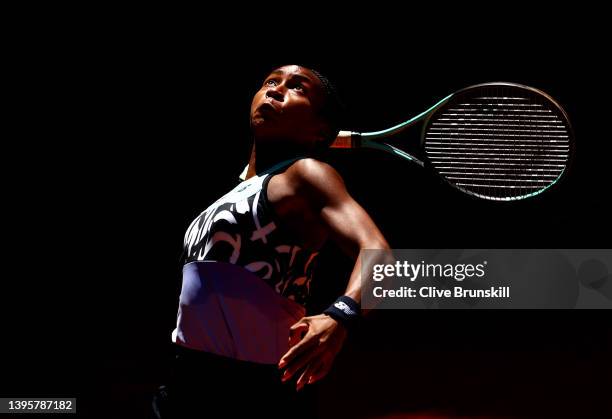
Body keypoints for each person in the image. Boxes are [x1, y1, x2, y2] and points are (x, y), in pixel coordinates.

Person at [153, 64, 390, 418]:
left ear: (320, 130)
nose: (276, 89)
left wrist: (341, 316)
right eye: (270, 81)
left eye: (298, 88)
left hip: (250, 391)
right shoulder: (234, 193)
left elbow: (381, 254)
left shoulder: (305, 174)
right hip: (184, 384)